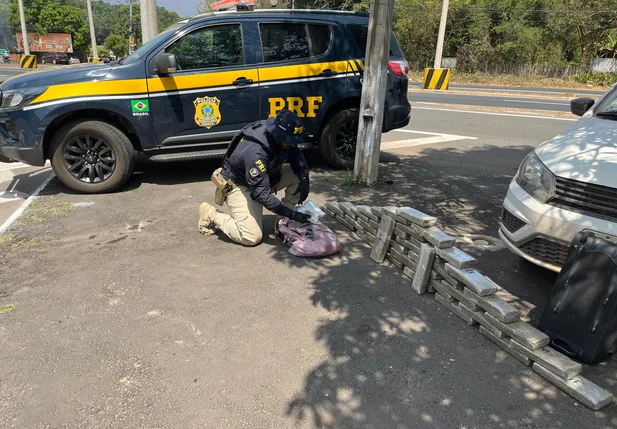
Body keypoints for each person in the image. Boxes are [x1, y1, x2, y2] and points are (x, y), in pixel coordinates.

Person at [198, 110, 311, 246]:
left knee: (297, 175)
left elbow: (296, 153)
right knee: (252, 236)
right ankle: (211, 214)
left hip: (264, 178)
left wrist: (304, 178)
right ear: (277, 135)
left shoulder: (282, 138)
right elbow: (262, 194)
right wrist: (291, 213)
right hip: (239, 185)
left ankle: (283, 224)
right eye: (289, 142)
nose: (292, 145)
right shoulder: (255, 152)